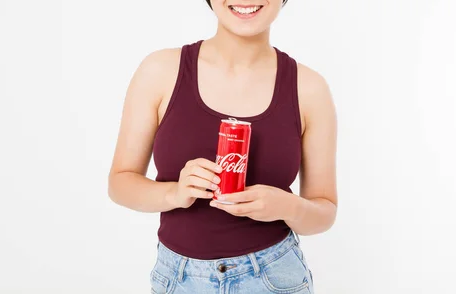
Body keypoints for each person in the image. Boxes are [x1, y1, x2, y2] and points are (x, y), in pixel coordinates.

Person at [108, 0, 338, 293]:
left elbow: (325, 211)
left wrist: (286, 206)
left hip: (274, 277)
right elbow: (119, 183)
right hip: (179, 279)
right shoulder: (160, 71)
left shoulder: (309, 88)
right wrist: (174, 192)